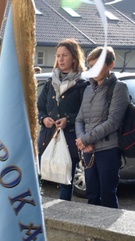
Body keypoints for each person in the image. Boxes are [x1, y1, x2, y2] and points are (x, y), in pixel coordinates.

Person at [76, 46, 129, 209]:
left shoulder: (119, 88)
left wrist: (85, 139)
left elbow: (113, 122)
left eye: (98, 65)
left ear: (110, 65)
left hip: (108, 150)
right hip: (89, 151)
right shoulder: (88, 89)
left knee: (107, 196)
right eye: (91, 66)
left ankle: (109, 234)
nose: (94, 70)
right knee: (91, 195)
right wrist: (83, 141)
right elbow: (79, 119)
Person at [37, 39, 88, 201]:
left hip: (70, 138)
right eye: (58, 56)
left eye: (65, 55)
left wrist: (68, 120)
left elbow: (86, 113)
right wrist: (44, 118)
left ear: (74, 57)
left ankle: (64, 210)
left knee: (66, 181)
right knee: (40, 178)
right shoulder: (49, 83)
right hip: (47, 137)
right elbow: (40, 107)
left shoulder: (83, 85)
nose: (61, 59)